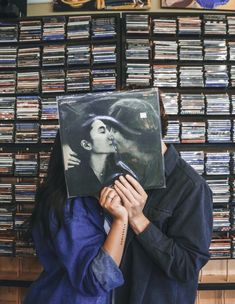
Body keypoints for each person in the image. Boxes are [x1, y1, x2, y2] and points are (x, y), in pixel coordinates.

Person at [24, 130, 129, 304]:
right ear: (85, 145)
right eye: (103, 130)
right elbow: (95, 280)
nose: (112, 135)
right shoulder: (71, 204)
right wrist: (121, 221)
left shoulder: (98, 194)